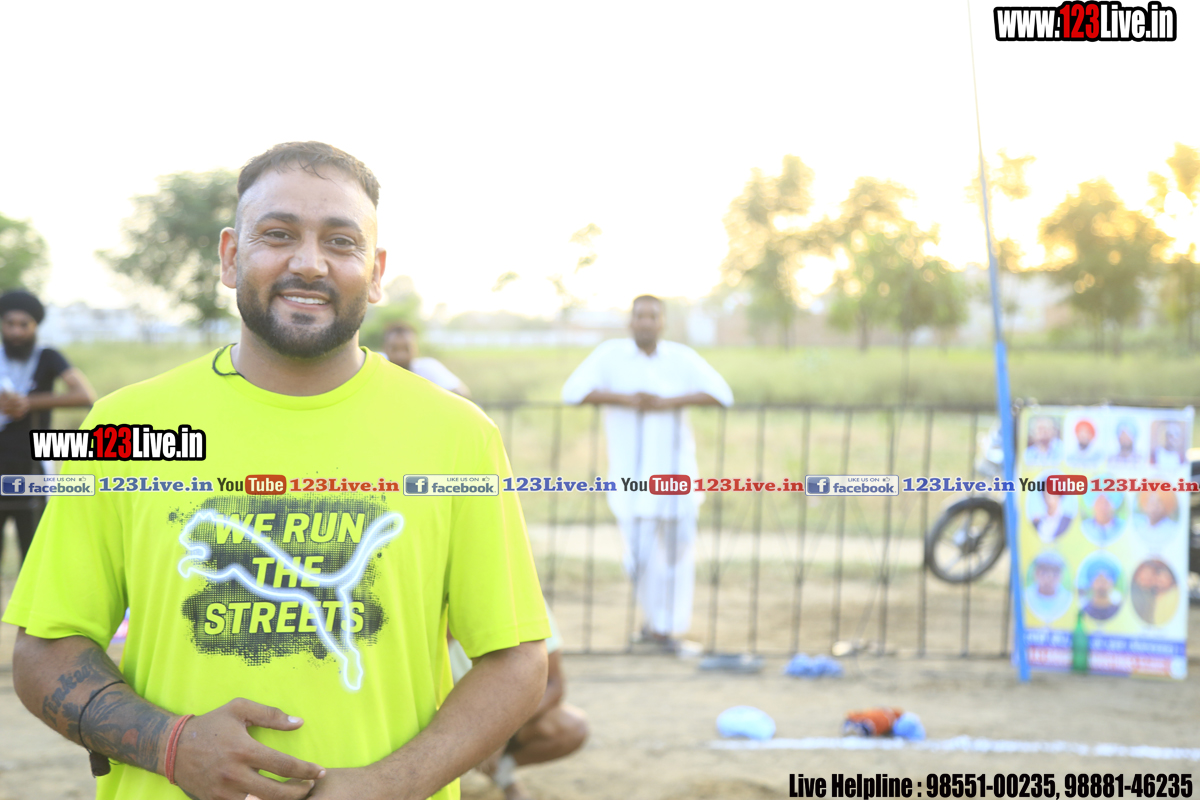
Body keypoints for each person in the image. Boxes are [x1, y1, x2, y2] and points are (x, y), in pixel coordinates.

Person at [3, 142, 550, 800]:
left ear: (375, 272)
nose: (309, 262)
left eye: (341, 241)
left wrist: (388, 784)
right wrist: (171, 745)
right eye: (279, 234)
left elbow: (517, 660)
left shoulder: (458, 436)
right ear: (231, 256)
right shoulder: (123, 428)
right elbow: (45, 650)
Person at [561, 295, 733, 652]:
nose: (645, 322)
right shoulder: (610, 355)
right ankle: (656, 623)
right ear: (630, 321)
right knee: (638, 558)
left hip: (676, 474)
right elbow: (572, 393)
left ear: (662, 322)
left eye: (653, 316)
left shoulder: (681, 358)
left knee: (677, 554)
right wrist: (625, 399)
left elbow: (722, 395)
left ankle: (667, 629)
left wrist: (667, 402)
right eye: (639, 316)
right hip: (630, 476)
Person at [449, 605, 588, 800]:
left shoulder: (526, 605)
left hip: (500, 714)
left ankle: (501, 772)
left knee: (570, 726)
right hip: (451, 719)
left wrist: (499, 730)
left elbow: (554, 685)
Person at [0, 289, 96, 566]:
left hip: (31, 467)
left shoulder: (48, 357)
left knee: (34, 550)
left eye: (24, 325)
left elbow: (85, 395)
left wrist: (28, 402)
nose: (16, 332)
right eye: (10, 324)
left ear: (35, 326)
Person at [382, 321, 470, 397]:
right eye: (394, 349)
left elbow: (461, 393)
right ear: (384, 348)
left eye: (407, 349)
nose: (400, 355)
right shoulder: (377, 366)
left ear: (416, 348)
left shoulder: (428, 367)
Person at [1024, 551, 1071, 624]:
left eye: (1055, 572)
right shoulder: (1026, 595)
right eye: (1044, 571)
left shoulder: (1067, 598)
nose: (1049, 577)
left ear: (1061, 575)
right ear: (1035, 573)